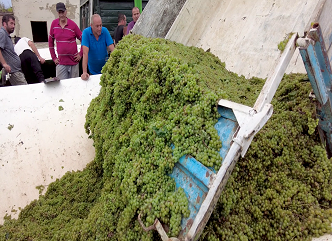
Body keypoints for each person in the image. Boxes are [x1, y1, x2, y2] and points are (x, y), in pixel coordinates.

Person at [48, 2, 83, 80]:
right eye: (59, 12)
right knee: (61, 87)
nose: (61, 15)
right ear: (57, 13)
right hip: (61, 63)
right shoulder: (54, 24)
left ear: (66, 12)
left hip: (74, 63)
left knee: (74, 86)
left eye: (63, 12)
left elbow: (83, 39)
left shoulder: (73, 25)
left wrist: (80, 54)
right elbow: (50, 41)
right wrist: (53, 57)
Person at [81, 14, 115, 80]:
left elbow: (112, 49)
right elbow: (85, 53)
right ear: (91, 25)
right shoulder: (86, 33)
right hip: (92, 71)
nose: (99, 28)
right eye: (97, 26)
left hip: (105, 69)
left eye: (100, 25)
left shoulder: (104, 31)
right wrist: (84, 72)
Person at [0, 15, 27, 86]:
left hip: (15, 70)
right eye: (11, 23)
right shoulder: (2, 33)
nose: (13, 26)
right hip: (13, 71)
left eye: (14, 24)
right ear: (4, 24)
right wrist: (4, 64)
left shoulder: (6, 35)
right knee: (25, 91)